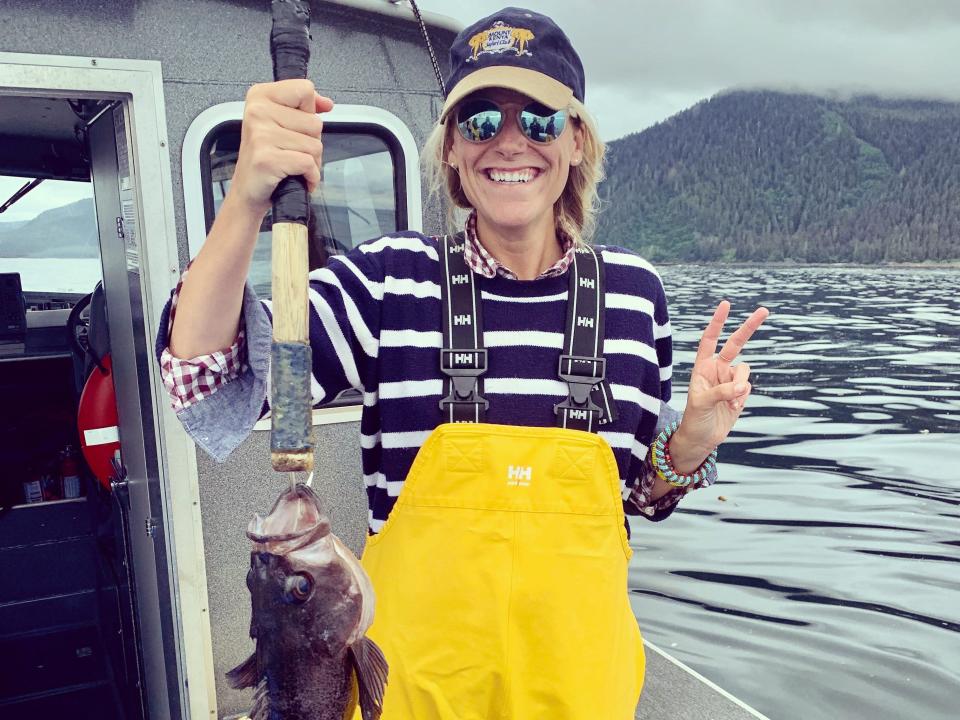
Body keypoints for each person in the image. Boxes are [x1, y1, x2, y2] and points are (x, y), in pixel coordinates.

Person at [157, 7, 767, 719]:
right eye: (480, 120)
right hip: (413, 694)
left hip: (580, 695)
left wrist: (690, 441)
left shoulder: (635, 297)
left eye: (538, 119)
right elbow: (204, 376)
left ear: (576, 141)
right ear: (449, 147)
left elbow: (636, 498)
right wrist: (246, 195)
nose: (510, 142)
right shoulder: (390, 282)